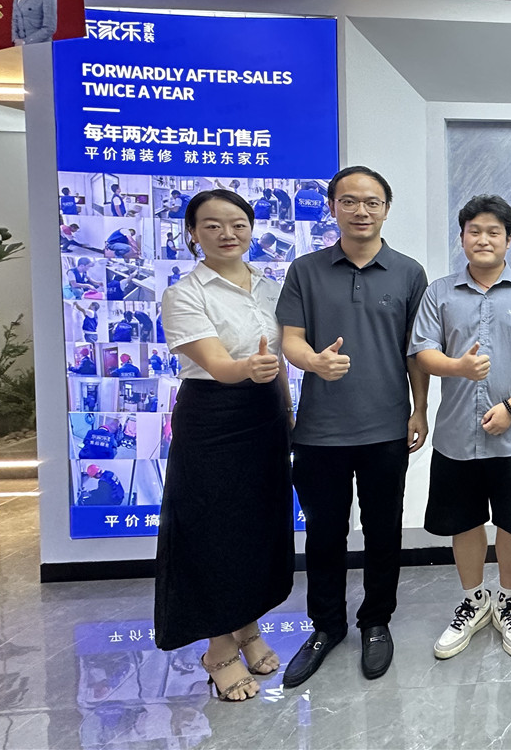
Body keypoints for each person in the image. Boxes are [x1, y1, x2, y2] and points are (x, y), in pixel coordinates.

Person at [278, 166, 429, 687]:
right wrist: (313, 362)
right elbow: (291, 339)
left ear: (386, 208)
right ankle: (326, 626)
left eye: (371, 202)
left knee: (384, 530)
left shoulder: (408, 273)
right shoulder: (305, 270)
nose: (360, 211)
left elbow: (415, 351)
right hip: (320, 430)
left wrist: (419, 409)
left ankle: (376, 621)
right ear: (332, 208)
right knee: (325, 534)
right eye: (349, 201)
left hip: (386, 426)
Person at [154, 188, 294, 703]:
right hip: (213, 418)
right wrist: (250, 369)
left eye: (237, 224)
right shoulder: (185, 293)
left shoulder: (272, 288)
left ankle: (247, 625)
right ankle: (218, 649)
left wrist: (287, 412)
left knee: (256, 526)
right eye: (212, 225)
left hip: (265, 414)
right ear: (193, 233)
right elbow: (217, 364)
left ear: (252, 228)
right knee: (213, 531)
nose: (227, 234)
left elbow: (277, 362)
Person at [411, 195, 511, 661]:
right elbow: (422, 352)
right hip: (456, 434)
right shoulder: (439, 293)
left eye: (494, 232)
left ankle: (507, 601)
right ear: (462, 238)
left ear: (509, 239)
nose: (484, 239)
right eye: (475, 231)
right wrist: (457, 367)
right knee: (465, 521)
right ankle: (474, 601)